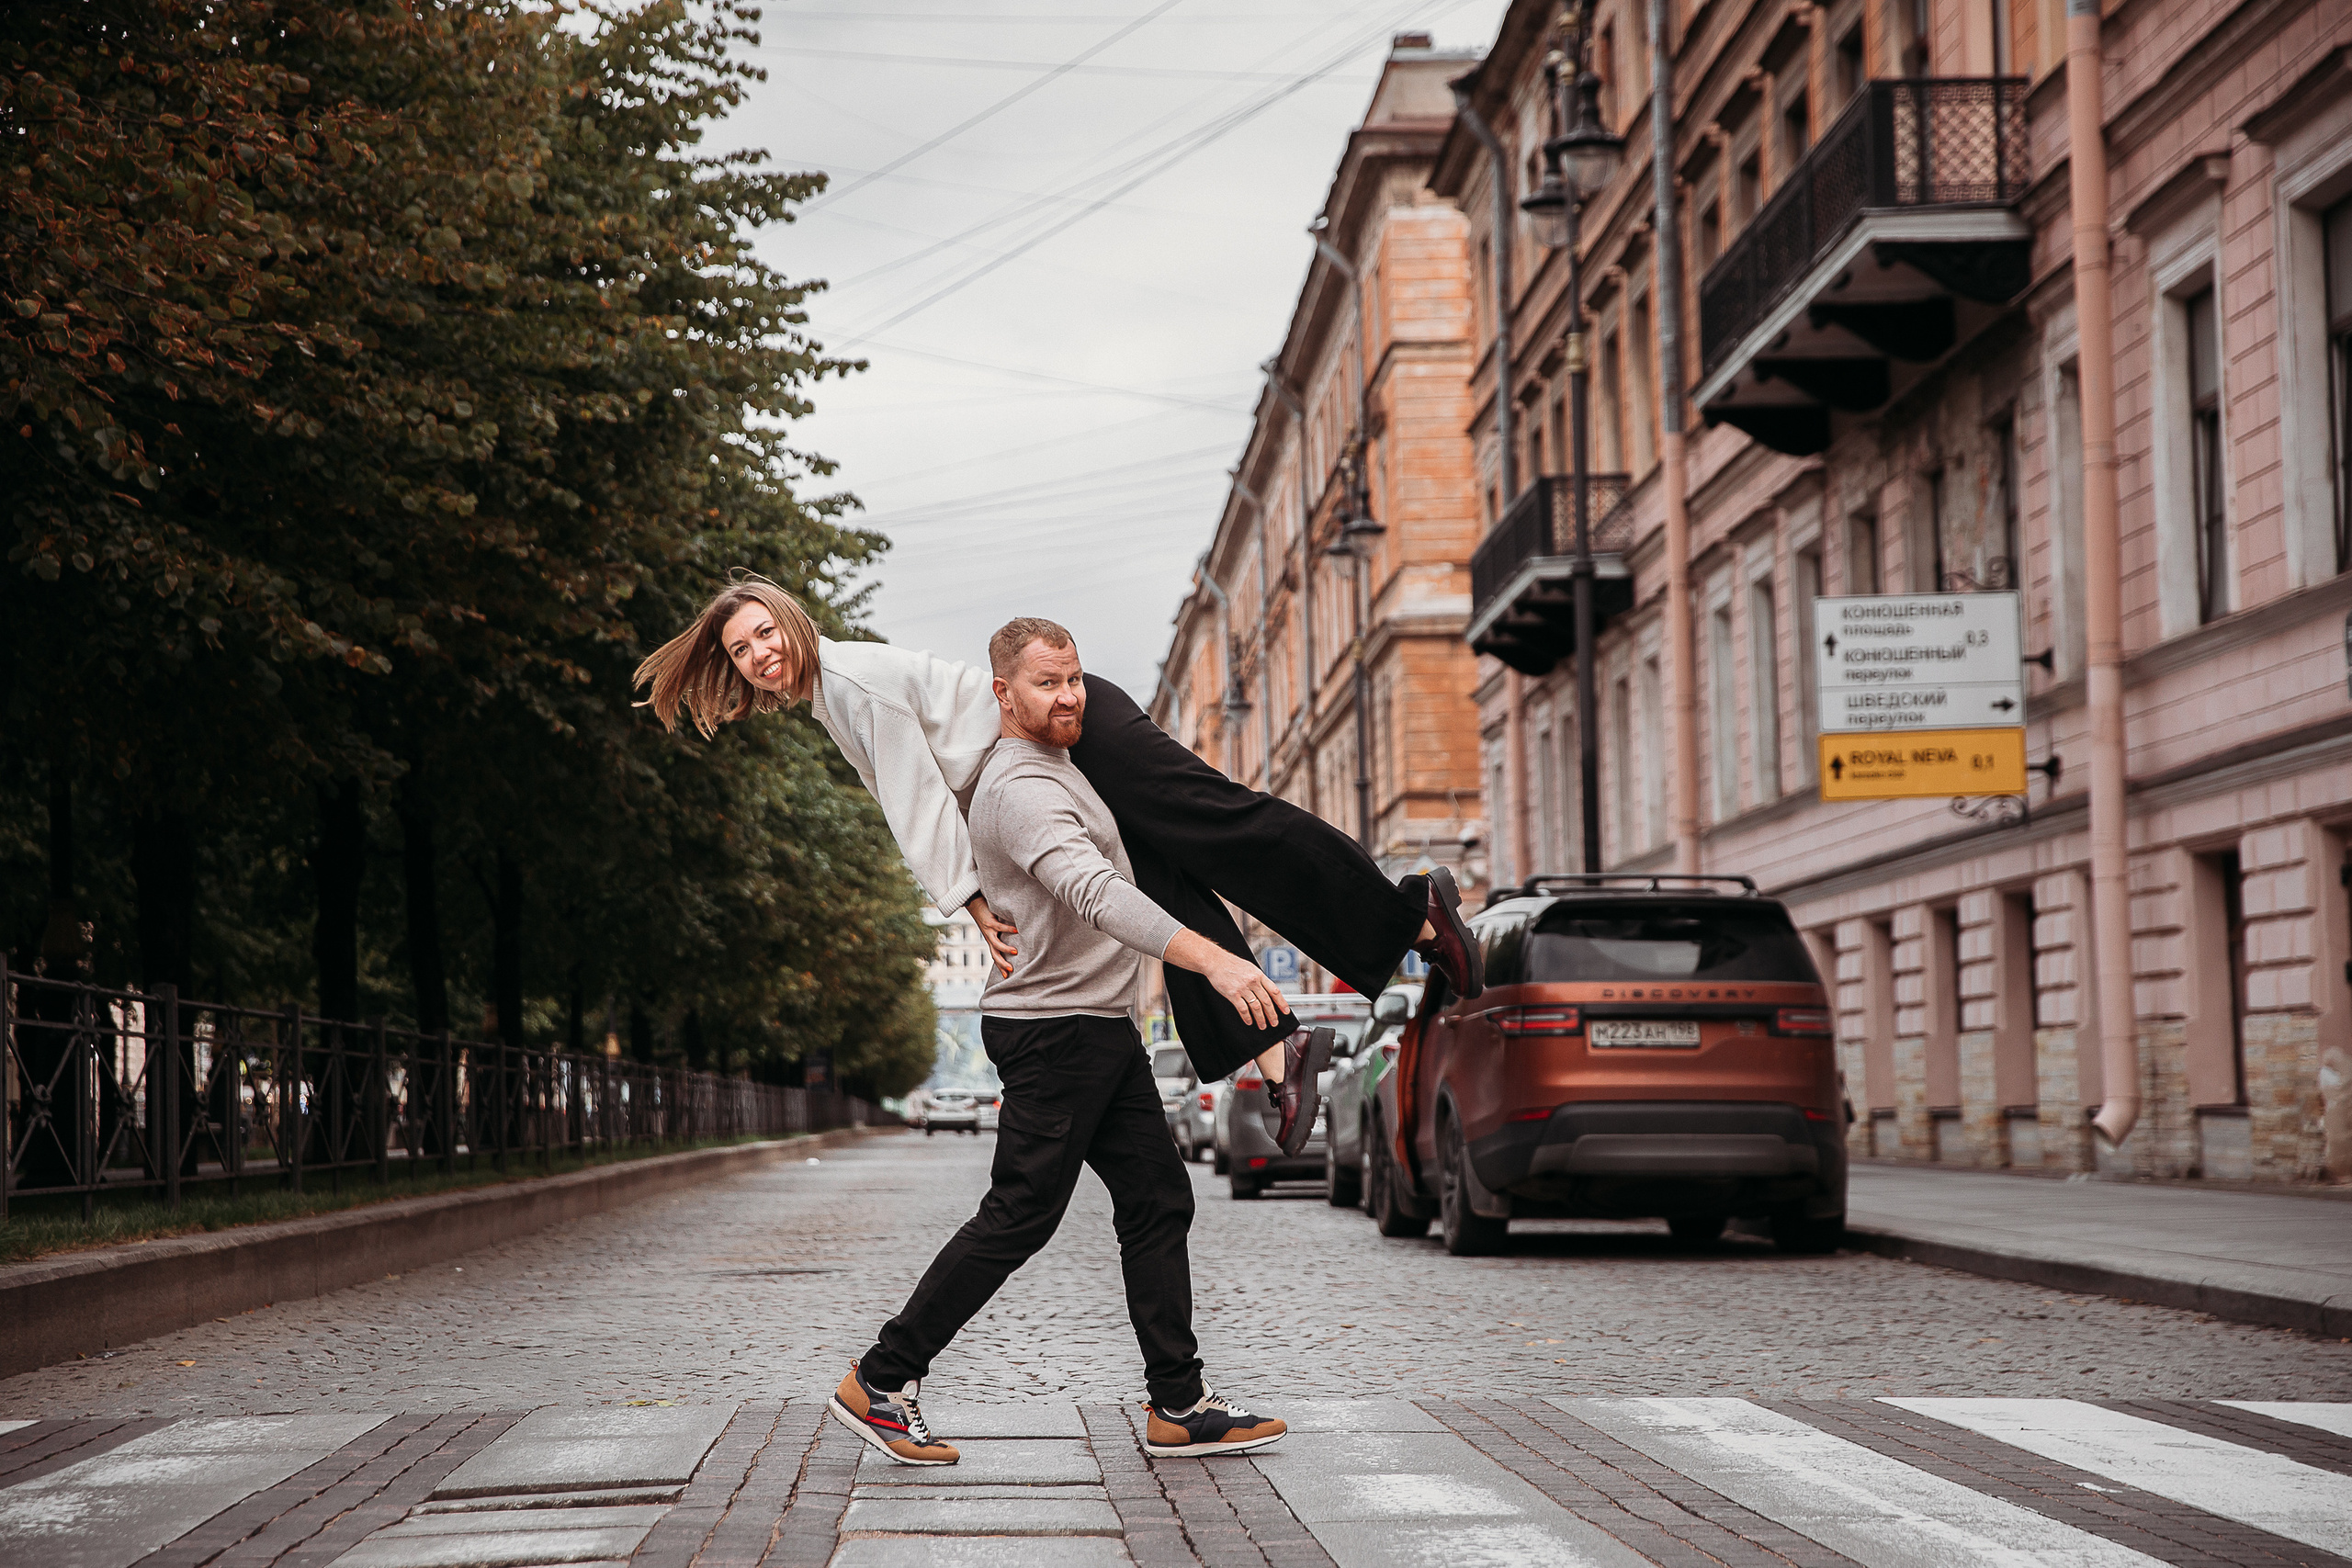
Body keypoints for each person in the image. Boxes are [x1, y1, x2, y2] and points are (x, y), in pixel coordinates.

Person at [632, 575, 1484, 1152]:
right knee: (1161, 893)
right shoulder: (833, 691)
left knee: (1227, 829)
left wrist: (967, 897)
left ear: (790, 619)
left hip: (1070, 728)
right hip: (1039, 761)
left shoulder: (851, 679)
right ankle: (1279, 1054)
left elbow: (914, 799)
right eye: (741, 651)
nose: (757, 655)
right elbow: (923, 789)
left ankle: (1411, 913)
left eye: (762, 634)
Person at [829, 617, 1289, 1464]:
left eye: (1075, 679)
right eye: (1048, 682)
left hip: (1096, 1027)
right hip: (1053, 1031)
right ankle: (883, 1378)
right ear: (1003, 695)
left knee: (1157, 1197)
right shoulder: (1020, 788)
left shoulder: (1064, 767)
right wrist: (1218, 963)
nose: (1069, 696)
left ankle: (1179, 1403)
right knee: (1021, 1214)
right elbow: (1097, 892)